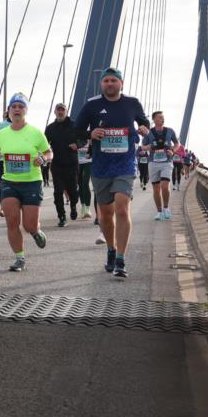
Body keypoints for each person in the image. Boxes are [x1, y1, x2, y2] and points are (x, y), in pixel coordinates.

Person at [74, 67, 150, 278]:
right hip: (101, 165)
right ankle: (111, 249)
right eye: (106, 80)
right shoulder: (92, 105)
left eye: (113, 81)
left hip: (125, 164)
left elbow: (144, 121)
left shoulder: (132, 103)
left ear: (121, 84)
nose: (109, 84)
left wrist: (144, 127)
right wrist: (91, 133)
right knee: (106, 215)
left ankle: (121, 260)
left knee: (122, 209)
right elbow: (77, 130)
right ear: (102, 84)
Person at [0, 93, 51, 272]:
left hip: (31, 182)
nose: (16, 109)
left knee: (29, 225)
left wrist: (43, 159)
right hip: (9, 182)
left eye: (20, 106)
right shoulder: (1, 134)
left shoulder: (36, 133)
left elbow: (48, 152)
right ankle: (20, 257)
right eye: (13, 106)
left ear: (26, 111)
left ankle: (36, 232)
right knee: (12, 222)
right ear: (8, 111)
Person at [44, 102, 79, 227]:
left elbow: (83, 138)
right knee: (57, 192)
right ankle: (62, 217)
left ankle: (74, 205)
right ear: (55, 112)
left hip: (71, 164)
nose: (60, 112)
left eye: (62, 110)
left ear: (66, 111)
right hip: (57, 164)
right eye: (58, 110)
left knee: (73, 192)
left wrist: (77, 145)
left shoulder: (74, 125)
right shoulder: (50, 128)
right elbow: (43, 143)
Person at [140, 111, 178, 220]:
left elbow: (177, 143)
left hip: (167, 162)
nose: (162, 119)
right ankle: (159, 211)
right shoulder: (149, 133)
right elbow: (142, 147)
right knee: (156, 189)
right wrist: (148, 147)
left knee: (165, 186)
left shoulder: (170, 131)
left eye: (163, 117)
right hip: (153, 162)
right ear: (154, 119)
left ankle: (166, 208)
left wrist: (173, 151)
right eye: (160, 117)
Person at [76, 139, 93, 220]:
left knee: (85, 183)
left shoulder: (90, 134)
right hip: (78, 162)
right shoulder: (76, 133)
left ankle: (87, 208)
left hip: (88, 161)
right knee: (80, 185)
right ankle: (83, 206)